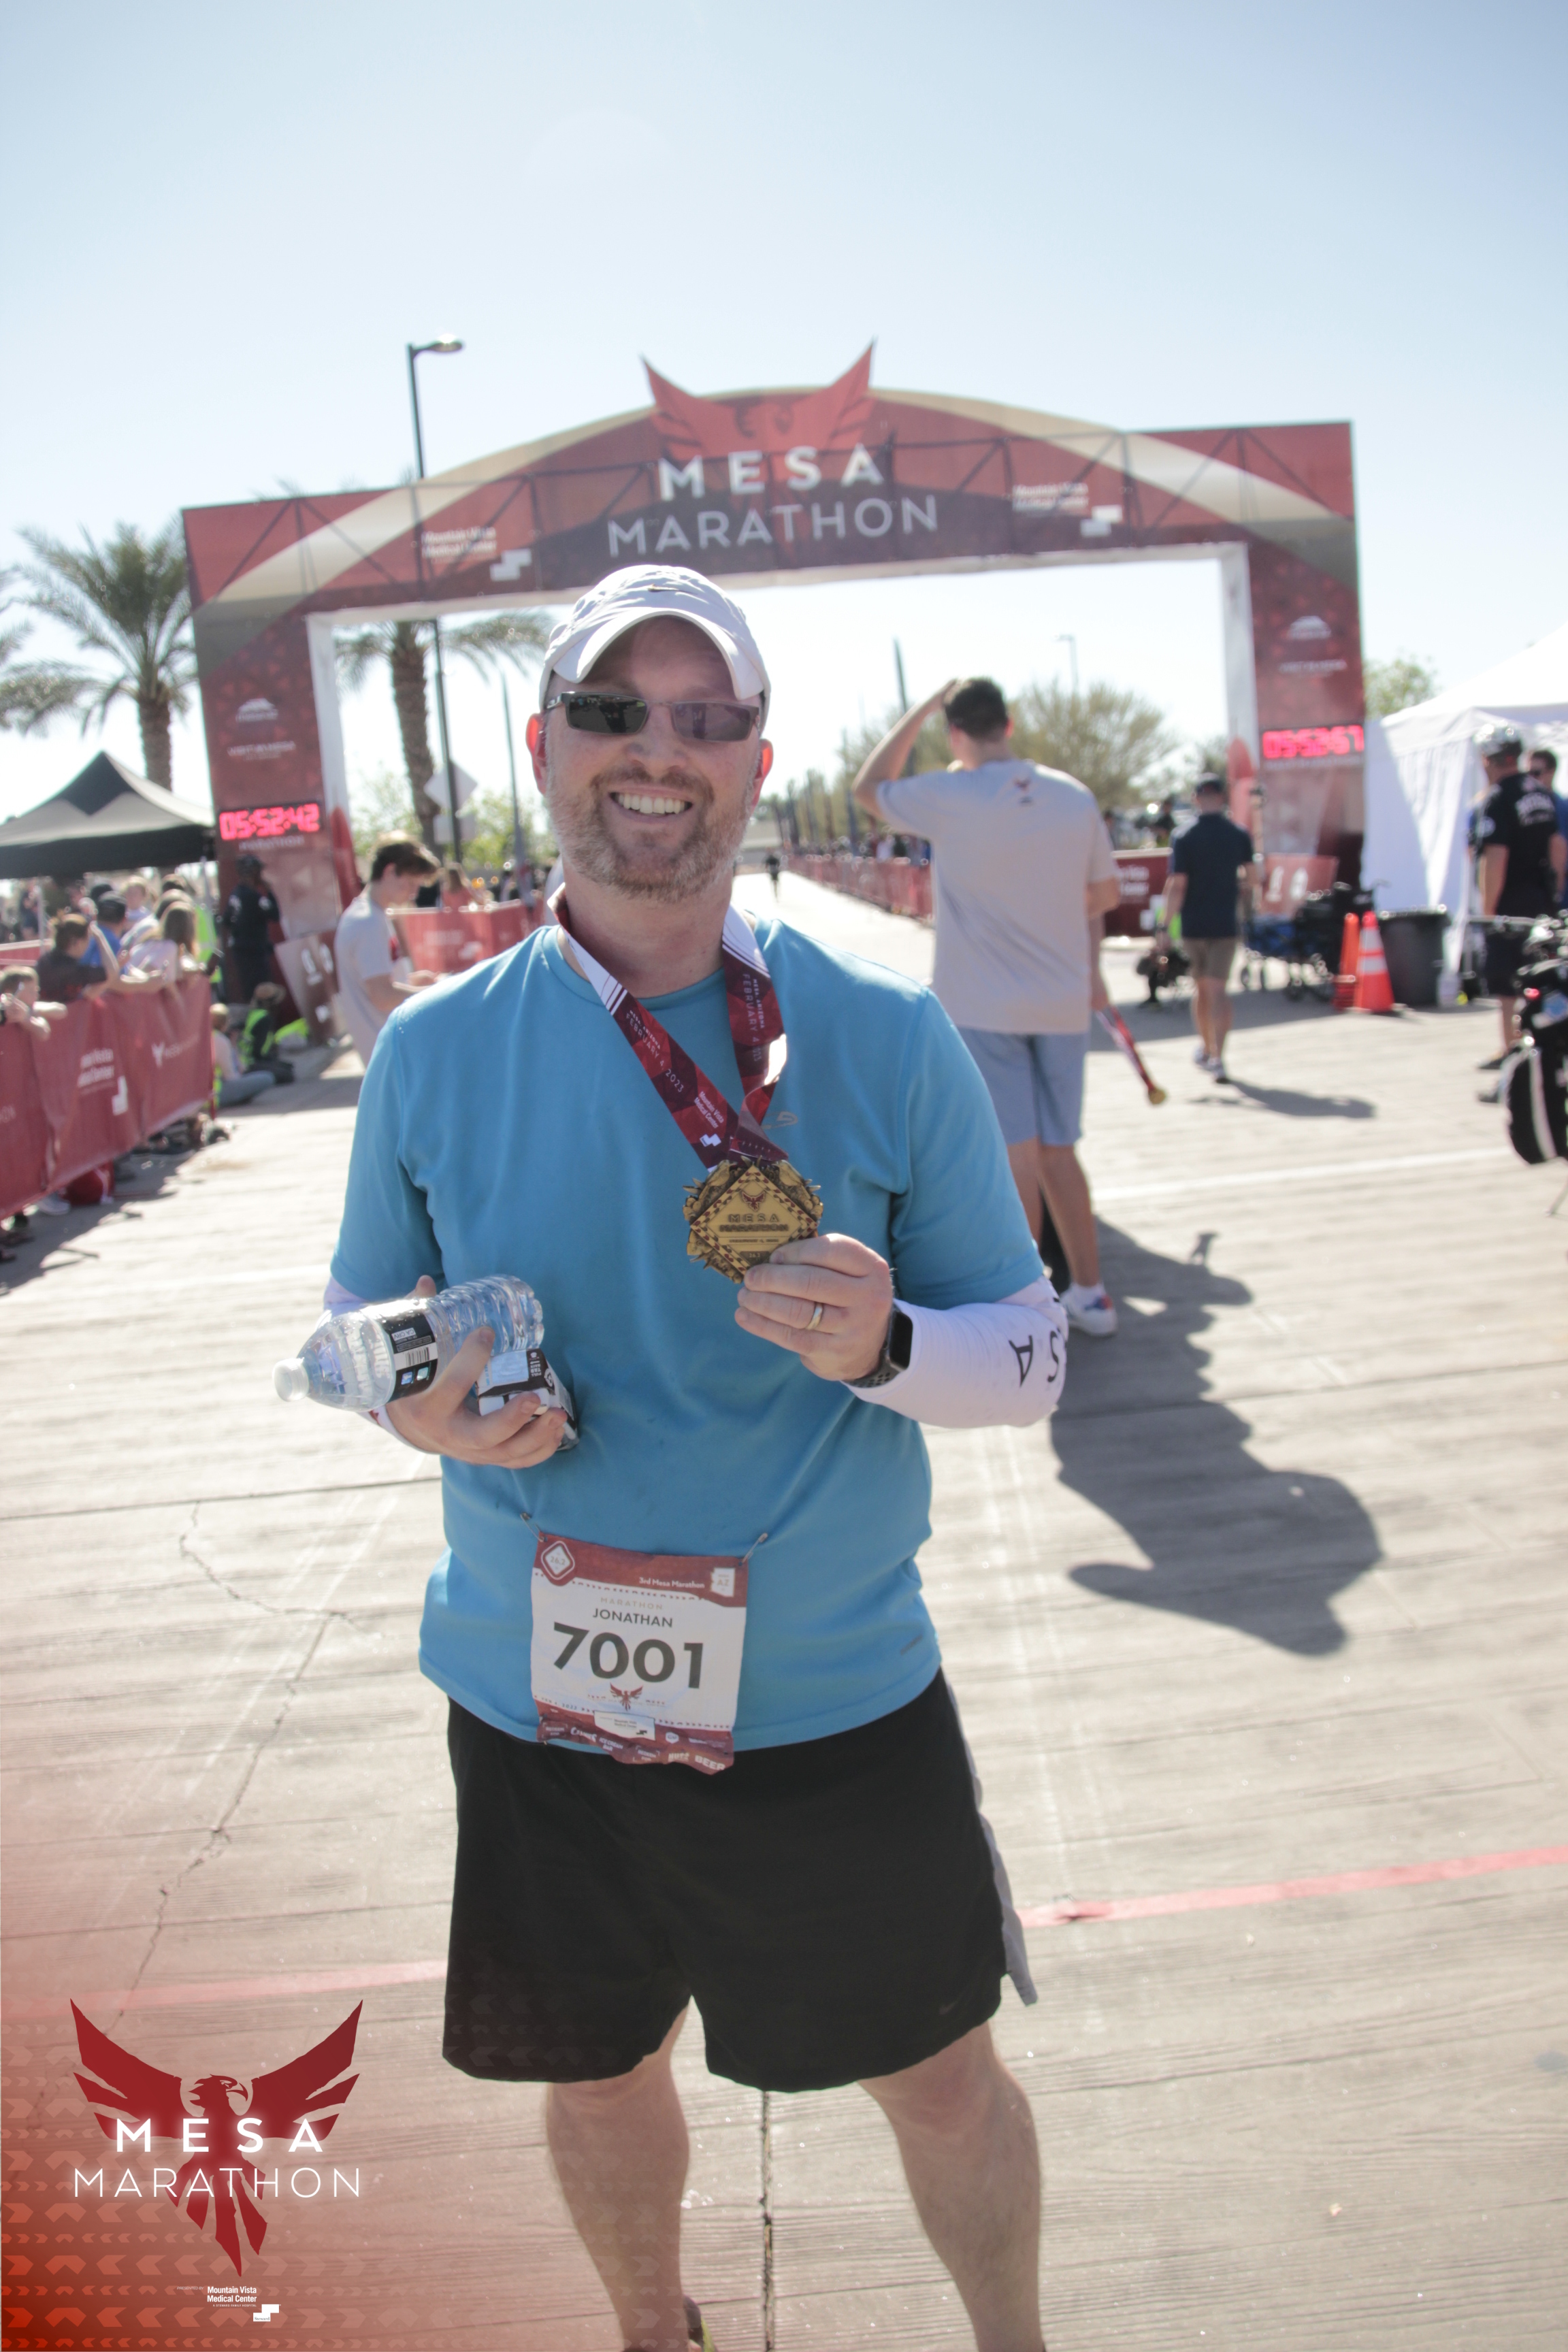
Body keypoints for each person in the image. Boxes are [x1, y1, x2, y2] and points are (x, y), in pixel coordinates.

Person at [327, 566, 1068, 2352]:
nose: (655, 751)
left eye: (704, 719)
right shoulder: (433, 1050)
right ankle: (657, 2335)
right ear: (543, 747)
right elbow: (355, 1317)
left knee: (941, 2081)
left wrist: (889, 1346)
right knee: (594, 2078)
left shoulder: (884, 1027)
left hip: (829, 1699)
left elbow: (1033, 1356)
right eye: (611, 712)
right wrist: (410, 1401)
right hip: (542, 1704)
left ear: (755, 765)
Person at [851, 674, 1122, 1339]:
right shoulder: (1071, 795)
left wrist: (919, 707)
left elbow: (868, 786)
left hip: (984, 1005)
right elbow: (1103, 894)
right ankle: (1092, 1295)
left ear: (955, 733)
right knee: (1061, 1152)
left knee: (1015, 1158)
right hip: (1061, 1000)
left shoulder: (950, 796)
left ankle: (1029, 1309)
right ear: (1009, 723)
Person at [1472, 723, 1563, 1072]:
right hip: (1542, 899)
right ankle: (1541, 1047)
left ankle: (1514, 1055)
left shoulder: (1498, 798)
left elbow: (1495, 858)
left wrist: (1489, 910)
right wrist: (1554, 891)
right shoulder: (1540, 792)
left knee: (1507, 982)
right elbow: (1557, 846)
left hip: (1510, 904)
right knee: (1542, 974)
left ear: (1488, 760)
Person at [1158, 774, 1257, 1079]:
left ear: (1196, 798)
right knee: (1217, 990)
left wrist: (1164, 926)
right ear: (1223, 797)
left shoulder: (1185, 836)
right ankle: (1217, 1055)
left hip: (1194, 924)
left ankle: (1207, 1049)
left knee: (1202, 989)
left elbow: (1178, 886)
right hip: (1225, 923)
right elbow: (1253, 878)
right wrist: (1238, 887)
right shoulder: (1238, 834)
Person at [333, 834, 441, 1067]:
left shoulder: (370, 915)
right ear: (390, 871)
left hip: (387, 1054)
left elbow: (377, 981)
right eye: (411, 884)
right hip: (390, 1057)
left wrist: (413, 981)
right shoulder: (368, 921)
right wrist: (438, 993)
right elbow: (382, 996)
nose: (414, 893)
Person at [218, 853, 280, 1002]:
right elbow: (275, 914)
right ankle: (263, 1016)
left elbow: (226, 920)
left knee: (250, 991)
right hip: (254, 953)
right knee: (262, 992)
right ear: (252, 873)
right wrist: (269, 891)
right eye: (259, 871)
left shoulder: (236, 893)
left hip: (241, 952)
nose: (261, 876)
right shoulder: (253, 896)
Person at [35, 911, 118, 1004]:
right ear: (78, 943)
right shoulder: (72, 970)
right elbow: (110, 972)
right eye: (89, 939)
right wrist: (100, 937)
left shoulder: (45, 960)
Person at [210, 1002, 275, 1108]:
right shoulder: (221, 1040)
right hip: (216, 1094)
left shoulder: (202, 1037)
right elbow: (230, 1076)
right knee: (267, 1078)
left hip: (202, 1093)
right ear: (224, 1023)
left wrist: (233, 1046)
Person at [1526, 745, 1568, 909]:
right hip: (1531, 892)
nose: (1530, 778)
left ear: (1552, 772)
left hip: (1559, 895)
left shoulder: (1562, 808)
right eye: (1527, 774)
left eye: (1536, 773)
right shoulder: (1520, 806)